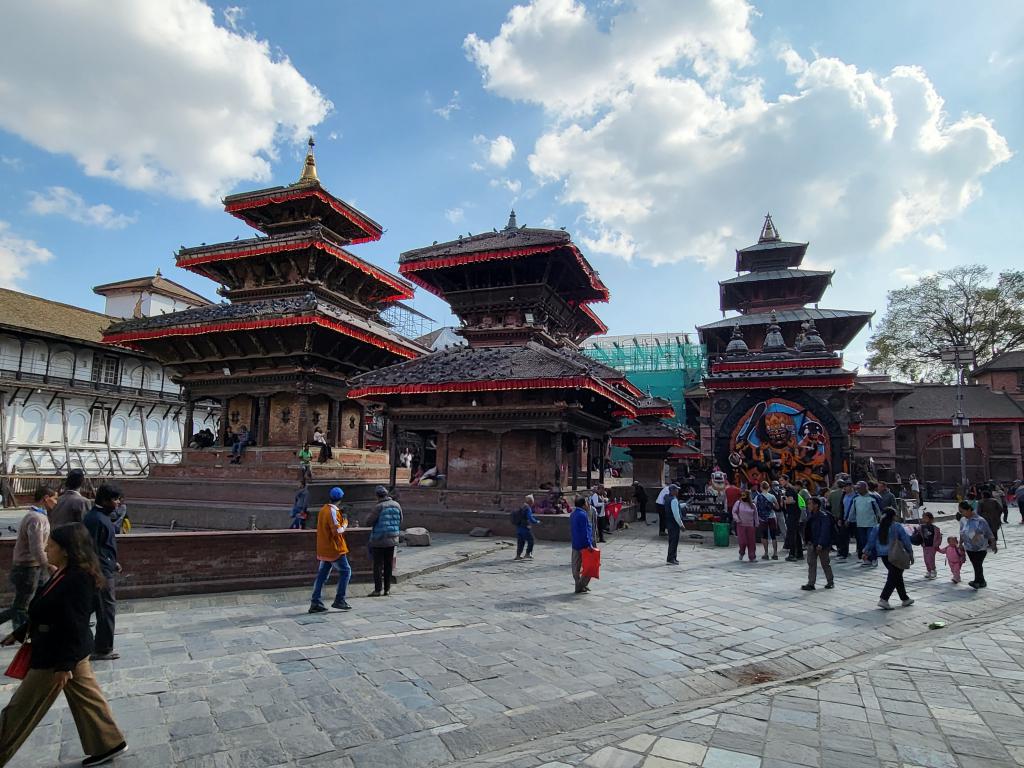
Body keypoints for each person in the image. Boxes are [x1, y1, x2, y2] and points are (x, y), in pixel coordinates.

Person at [0, 523, 127, 766]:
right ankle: (109, 743)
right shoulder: (62, 572)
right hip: (63, 649)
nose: (46, 548)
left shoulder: (79, 580)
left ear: (67, 549)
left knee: (18, 711)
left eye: (52, 545)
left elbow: (75, 624)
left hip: (57, 655)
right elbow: (48, 610)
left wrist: (64, 665)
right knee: (87, 700)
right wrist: (20, 632)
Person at [0, 486, 57, 629]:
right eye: (54, 498)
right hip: (27, 567)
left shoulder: (39, 516)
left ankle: (35, 629)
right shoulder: (36, 518)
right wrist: (48, 565)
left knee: (36, 600)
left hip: (34, 566)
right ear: (46, 498)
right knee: (21, 606)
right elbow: (36, 547)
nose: (56, 502)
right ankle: (21, 634)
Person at [83, 484, 122, 662]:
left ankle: (88, 643)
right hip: (100, 572)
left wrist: (113, 563)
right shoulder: (96, 519)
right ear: (105, 500)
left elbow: (102, 547)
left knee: (90, 608)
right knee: (106, 610)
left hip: (104, 568)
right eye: (115, 499)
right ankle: (102, 648)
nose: (118, 503)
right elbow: (91, 549)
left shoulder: (100, 517)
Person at [309, 487, 352, 612]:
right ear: (340, 499)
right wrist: (345, 523)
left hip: (324, 548)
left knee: (322, 575)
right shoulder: (332, 512)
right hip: (334, 549)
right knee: (346, 571)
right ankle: (339, 599)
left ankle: (315, 602)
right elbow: (337, 531)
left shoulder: (323, 509)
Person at [863, 507, 915, 610]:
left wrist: (866, 552)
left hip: (883, 555)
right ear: (893, 516)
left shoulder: (877, 527)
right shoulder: (897, 527)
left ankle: (905, 598)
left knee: (896, 576)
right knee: (894, 576)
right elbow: (906, 541)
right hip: (896, 554)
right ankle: (884, 599)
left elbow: (871, 541)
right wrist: (910, 552)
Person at [365, 486, 403, 597]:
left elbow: (369, 522)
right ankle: (387, 589)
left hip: (379, 539)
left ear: (377, 495)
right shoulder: (397, 505)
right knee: (388, 565)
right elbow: (401, 520)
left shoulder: (378, 507)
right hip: (392, 539)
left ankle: (378, 590)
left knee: (377, 565)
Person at [959, 500, 997, 590]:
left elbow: (989, 533)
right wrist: (960, 543)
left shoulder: (980, 520)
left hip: (981, 548)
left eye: (962, 511)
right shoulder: (962, 520)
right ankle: (981, 581)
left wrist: (993, 544)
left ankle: (977, 581)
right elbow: (961, 532)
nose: (961, 513)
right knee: (976, 565)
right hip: (969, 547)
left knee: (977, 564)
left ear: (968, 510)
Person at [802, 497, 835, 591]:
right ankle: (811, 583)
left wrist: (821, 543)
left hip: (821, 544)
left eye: (810, 504)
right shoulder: (811, 515)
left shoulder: (823, 516)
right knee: (811, 563)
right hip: (812, 543)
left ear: (816, 505)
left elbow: (825, 531)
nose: (808, 506)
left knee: (825, 563)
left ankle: (830, 581)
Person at [847, 481, 881, 566]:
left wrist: (881, 520)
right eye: (857, 488)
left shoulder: (873, 497)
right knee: (863, 542)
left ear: (865, 488)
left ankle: (874, 558)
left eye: (859, 488)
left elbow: (878, 510)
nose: (857, 490)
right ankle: (867, 559)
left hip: (871, 524)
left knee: (871, 541)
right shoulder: (855, 499)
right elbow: (852, 511)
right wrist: (848, 520)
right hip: (860, 524)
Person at [570, 496, 596, 594]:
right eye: (586, 502)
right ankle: (581, 584)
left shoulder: (573, 514)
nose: (587, 504)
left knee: (575, 566)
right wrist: (589, 544)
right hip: (584, 545)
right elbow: (585, 532)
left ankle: (579, 584)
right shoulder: (583, 515)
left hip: (575, 544)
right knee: (590, 566)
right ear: (583, 504)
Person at [778, 475, 803, 562]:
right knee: (796, 533)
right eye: (780, 481)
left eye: (782, 480)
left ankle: (792, 554)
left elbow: (791, 501)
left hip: (793, 514)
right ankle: (799, 553)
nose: (780, 482)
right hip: (794, 513)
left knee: (792, 533)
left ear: (787, 480)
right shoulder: (789, 490)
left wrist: (783, 499)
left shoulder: (789, 490)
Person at [754, 481, 780, 561]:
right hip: (772, 517)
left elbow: (755, 507)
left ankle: (766, 553)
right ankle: (775, 553)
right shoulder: (772, 496)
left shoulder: (757, 497)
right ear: (768, 488)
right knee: (773, 536)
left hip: (762, 518)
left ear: (761, 488)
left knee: (764, 536)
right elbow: (777, 507)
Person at [731, 489, 758, 563]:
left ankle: (752, 557)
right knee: (743, 541)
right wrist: (737, 519)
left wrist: (757, 523)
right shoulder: (738, 503)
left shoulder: (752, 505)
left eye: (744, 495)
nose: (743, 497)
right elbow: (734, 512)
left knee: (751, 542)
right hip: (741, 525)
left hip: (751, 525)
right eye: (742, 495)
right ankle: (742, 552)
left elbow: (755, 514)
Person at [513, 494, 541, 560]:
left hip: (519, 527)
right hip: (525, 527)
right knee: (531, 540)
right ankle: (528, 553)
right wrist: (536, 521)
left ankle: (518, 555)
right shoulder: (528, 508)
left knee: (520, 542)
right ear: (531, 501)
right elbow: (530, 518)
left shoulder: (521, 506)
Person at [828, 480, 851, 559]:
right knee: (845, 535)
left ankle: (840, 550)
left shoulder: (832, 493)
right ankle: (845, 550)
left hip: (835, 516)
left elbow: (828, 504)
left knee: (837, 534)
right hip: (845, 516)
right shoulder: (847, 493)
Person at [916, 511, 941, 580]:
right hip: (925, 546)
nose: (924, 519)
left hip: (932, 546)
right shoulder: (921, 527)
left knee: (931, 559)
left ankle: (933, 570)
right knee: (926, 559)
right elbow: (917, 533)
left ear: (931, 519)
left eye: (926, 518)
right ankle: (928, 570)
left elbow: (939, 537)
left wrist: (937, 544)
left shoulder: (935, 528)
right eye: (923, 518)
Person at [666, 485, 682, 566]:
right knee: (674, 541)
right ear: (673, 491)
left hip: (669, 523)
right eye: (676, 490)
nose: (678, 491)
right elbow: (676, 515)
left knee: (672, 540)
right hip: (674, 523)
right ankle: (671, 558)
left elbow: (675, 508)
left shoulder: (668, 498)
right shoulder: (674, 500)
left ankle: (672, 557)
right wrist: (681, 525)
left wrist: (684, 505)